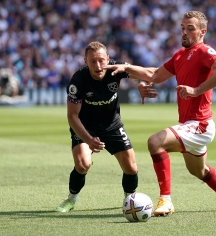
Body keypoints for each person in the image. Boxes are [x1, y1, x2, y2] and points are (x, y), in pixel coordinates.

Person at [104, 11, 216, 216]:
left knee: (155, 142)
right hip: (191, 124)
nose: (184, 32)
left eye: (190, 28)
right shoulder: (180, 55)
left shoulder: (204, 51)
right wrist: (127, 70)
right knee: (199, 171)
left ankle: (166, 200)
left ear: (202, 32)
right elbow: (154, 74)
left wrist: (197, 90)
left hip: (200, 124)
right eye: (182, 28)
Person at [55, 41, 148, 212]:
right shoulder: (78, 81)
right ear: (86, 61)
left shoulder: (115, 69)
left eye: (101, 60)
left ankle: (130, 201)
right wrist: (89, 139)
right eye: (93, 61)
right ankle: (71, 199)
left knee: (131, 167)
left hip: (112, 124)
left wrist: (142, 84)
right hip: (85, 126)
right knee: (83, 164)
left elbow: (142, 72)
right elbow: (72, 115)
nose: (98, 66)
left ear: (108, 59)